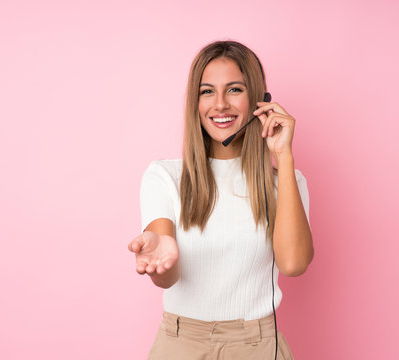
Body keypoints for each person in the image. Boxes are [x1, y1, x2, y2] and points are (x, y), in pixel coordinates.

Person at [128, 40, 314, 360]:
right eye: (207, 91)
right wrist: (161, 261)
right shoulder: (164, 176)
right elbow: (166, 274)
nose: (220, 104)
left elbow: (294, 264)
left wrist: (284, 158)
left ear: (260, 101)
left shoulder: (287, 182)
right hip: (181, 342)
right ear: (195, 102)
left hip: (257, 345)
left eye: (234, 90)